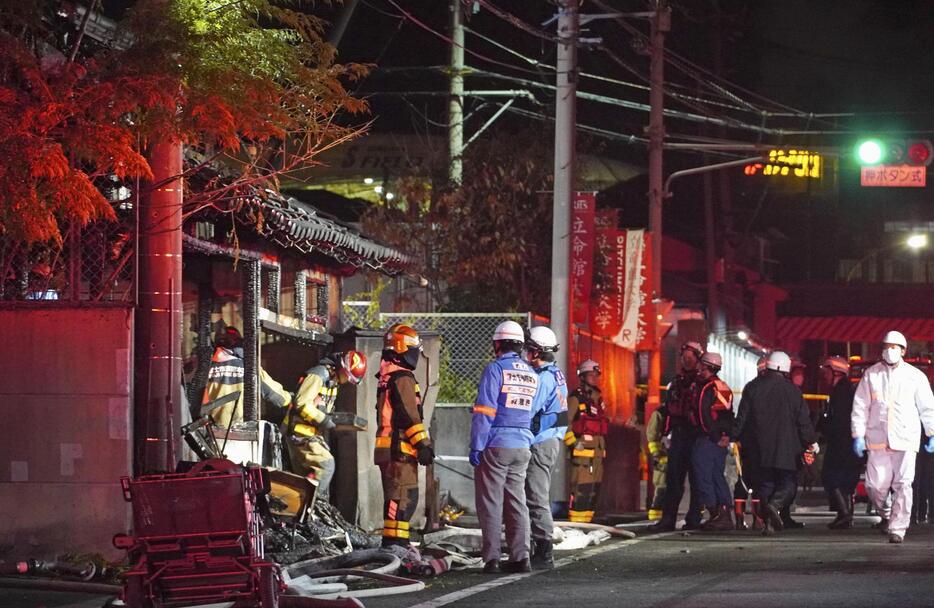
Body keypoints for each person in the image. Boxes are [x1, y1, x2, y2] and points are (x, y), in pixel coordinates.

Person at [471, 320, 540, 573]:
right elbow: (531, 412)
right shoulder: (532, 375)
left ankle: (492, 559)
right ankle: (521, 557)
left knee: (491, 502)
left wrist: (477, 445)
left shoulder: (495, 369)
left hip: (496, 444)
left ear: (498, 344)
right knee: (517, 501)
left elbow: (485, 411)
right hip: (522, 446)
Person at [851, 330, 934, 543]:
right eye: (887, 346)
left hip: (906, 439)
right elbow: (860, 406)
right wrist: (858, 434)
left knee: (904, 484)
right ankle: (887, 513)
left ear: (903, 350)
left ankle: (898, 528)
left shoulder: (915, 377)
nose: (890, 351)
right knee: (875, 486)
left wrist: (931, 432)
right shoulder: (871, 375)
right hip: (878, 439)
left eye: (894, 347)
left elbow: (928, 407)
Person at [733, 351, 817, 536]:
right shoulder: (793, 391)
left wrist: (731, 436)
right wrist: (810, 441)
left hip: (758, 450)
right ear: (786, 368)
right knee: (788, 484)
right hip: (786, 450)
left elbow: (742, 418)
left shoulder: (752, 387)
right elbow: (803, 421)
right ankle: (775, 505)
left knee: (765, 485)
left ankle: (769, 523)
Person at [373, 324, 434, 547]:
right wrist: (423, 445)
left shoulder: (387, 376)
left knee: (397, 499)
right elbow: (409, 416)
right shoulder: (402, 378)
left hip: (391, 450)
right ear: (402, 347)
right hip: (399, 451)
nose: (416, 353)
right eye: (414, 348)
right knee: (402, 499)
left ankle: (396, 546)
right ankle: (395, 547)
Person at [283, 349, 367, 500]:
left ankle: (305, 512)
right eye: (348, 376)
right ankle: (311, 505)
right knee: (326, 465)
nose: (347, 381)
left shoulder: (333, 382)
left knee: (305, 479)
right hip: (300, 433)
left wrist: (328, 416)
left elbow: (322, 408)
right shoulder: (318, 375)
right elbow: (301, 403)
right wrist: (323, 419)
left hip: (310, 434)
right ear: (341, 367)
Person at [524, 326, 568, 569]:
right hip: (549, 440)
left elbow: (529, 411)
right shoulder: (556, 375)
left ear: (536, 351)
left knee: (536, 495)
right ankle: (538, 546)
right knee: (536, 493)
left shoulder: (542, 379)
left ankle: (543, 550)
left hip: (539, 442)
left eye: (528, 348)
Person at [649, 341, 704, 531]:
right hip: (679, 436)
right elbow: (667, 412)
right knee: (673, 480)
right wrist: (665, 434)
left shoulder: (703, 384)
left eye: (691, 357)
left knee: (698, 481)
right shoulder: (675, 383)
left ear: (698, 359)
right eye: (684, 357)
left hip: (697, 437)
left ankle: (694, 518)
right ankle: (668, 518)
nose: (687, 361)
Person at [202, 325, 291, 428]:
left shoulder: (203, 368)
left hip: (208, 434)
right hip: (241, 434)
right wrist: (290, 398)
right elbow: (277, 398)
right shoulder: (249, 366)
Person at [689, 352, 735, 531]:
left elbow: (704, 416)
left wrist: (714, 436)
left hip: (708, 440)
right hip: (721, 441)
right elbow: (728, 415)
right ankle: (724, 514)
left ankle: (715, 513)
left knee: (704, 477)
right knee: (717, 476)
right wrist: (726, 436)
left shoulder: (707, 388)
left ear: (705, 365)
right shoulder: (722, 386)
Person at [564, 359, 610, 524]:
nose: (594, 378)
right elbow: (565, 423)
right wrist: (573, 443)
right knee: (581, 490)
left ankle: (587, 525)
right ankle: (576, 525)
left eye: (596, 375)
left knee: (593, 490)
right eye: (591, 375)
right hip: (582, 455)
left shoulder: (598, 399)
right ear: (582, 376)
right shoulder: (576, 398)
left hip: (597, 455)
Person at [817, 356, 860, 530]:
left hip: (841, 443)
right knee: (843, 479)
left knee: (831, 476)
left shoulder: (841, 393)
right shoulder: (842, 391)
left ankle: (844, 514)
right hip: (846, 443)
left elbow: (838, 420)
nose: (823, 375)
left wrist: (824, 429)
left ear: (836, 372)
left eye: (826, 371)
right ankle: (845, 514)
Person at [646, 405, 668, 522]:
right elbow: (652, 436)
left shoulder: (683, 412)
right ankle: (656, 517)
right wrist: (656, 455)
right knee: (661, 486)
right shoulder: (660, 413)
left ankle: (664, 517)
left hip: (677, 455)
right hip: (663, 457)